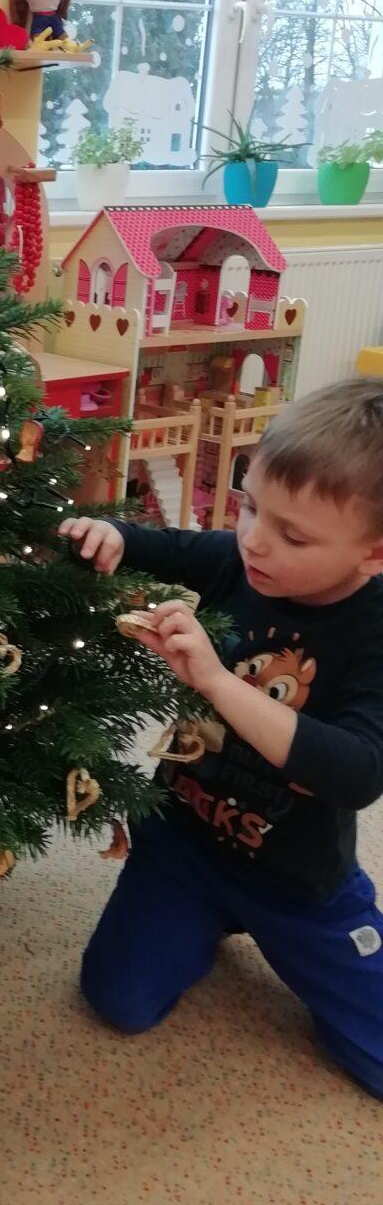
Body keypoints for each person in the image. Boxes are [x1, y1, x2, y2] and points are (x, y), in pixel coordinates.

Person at [61, 378, 383, 1099]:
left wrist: (216, 681)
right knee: (117, 1000)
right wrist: (114, 536)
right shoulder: (242, 559)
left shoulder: (373, 629)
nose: (254, 539)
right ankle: (209, 913)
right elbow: (167, 545)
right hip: (186, 843)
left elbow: (360, 771)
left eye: (293, 535)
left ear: (375, 553)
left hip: (297, 879)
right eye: (249, 504)